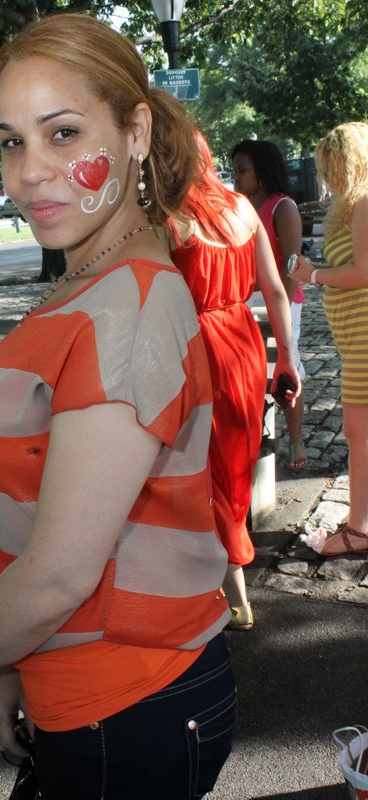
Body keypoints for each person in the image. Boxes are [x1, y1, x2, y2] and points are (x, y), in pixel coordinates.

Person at [0, 13, 236, 800]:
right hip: (96, 694)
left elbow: (61, 573)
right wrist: (11, 655)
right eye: (11, 141)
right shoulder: (100, 276)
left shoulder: (127, 302)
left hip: (127, 704)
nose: (28, 173)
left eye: (63, 133)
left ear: (135, 132)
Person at [168, 130, 300, 631]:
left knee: (208, 469)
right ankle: (226, 579)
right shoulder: (244, 209)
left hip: (194, 346)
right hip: (243, 344)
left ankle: (232, 592)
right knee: (233, 465)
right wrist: (286, 359)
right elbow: (276, 290)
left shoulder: (168, 219)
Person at [290, 121, 368, 556]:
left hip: (365, 338)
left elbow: (365, 272)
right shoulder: (354, 204)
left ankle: (359, 532)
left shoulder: (364, 203)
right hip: (356, 338)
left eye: (330, 165)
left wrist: (314, 275)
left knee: (358, 431)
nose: (326, 175)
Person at [231, 139, 306, 470]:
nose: (235, 178)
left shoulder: (282, 206)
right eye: (235, 170)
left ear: (261, 171)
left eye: (242, 170)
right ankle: (258, 434)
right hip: (248, 300)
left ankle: (296, 439)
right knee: (253, 371)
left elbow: (292, 267)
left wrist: (282, 312)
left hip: (282, 301)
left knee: (287, 370)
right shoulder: (241, 206)